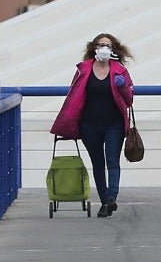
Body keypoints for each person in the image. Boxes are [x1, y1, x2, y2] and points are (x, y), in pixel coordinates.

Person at [50, 33, 135, 218]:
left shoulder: (119, 71)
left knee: (113, 161)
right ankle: (104, 202)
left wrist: (122, 87)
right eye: (100, 45)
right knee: (98, 163)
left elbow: (129, 99)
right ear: (94, 48)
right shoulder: (84, 69)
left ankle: (112, 198)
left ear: (113, 50)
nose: (104, 48)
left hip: (114, 124)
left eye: (108, 45)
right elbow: (74, 94)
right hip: (90, 125)